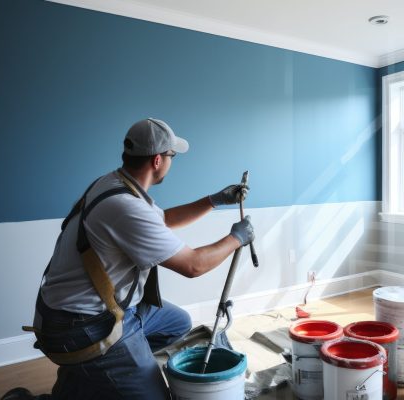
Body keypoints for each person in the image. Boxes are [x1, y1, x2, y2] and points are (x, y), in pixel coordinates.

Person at [26, 118, 255, 399]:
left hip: (87, 312)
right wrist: (237, 239)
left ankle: (101, 374)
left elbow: (164, 220)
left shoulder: (115, 184)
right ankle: (105, 368)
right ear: (158, 160)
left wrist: (213, 200)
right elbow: (193, 265)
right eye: (172, 156)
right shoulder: (126, 207)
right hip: (84, 325)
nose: (173, 161)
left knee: (177, 323)